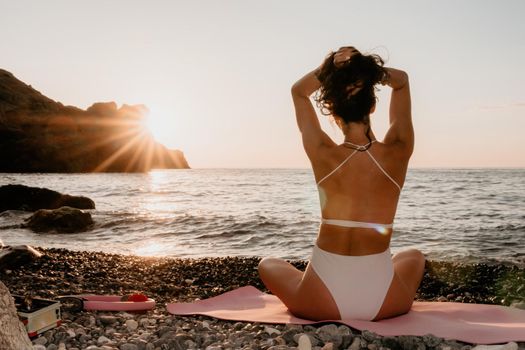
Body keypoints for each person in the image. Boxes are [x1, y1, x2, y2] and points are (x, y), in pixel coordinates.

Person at [258, 46, 425, 321]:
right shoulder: (398, 150)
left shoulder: (323, 153)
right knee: (414, 256)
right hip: (383, 303)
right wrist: (368, 71)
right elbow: (402, 81)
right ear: (372, 106)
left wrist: (330, 69)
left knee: (267, 264)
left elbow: (298, 91)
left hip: (319, 301)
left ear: (333, 110)